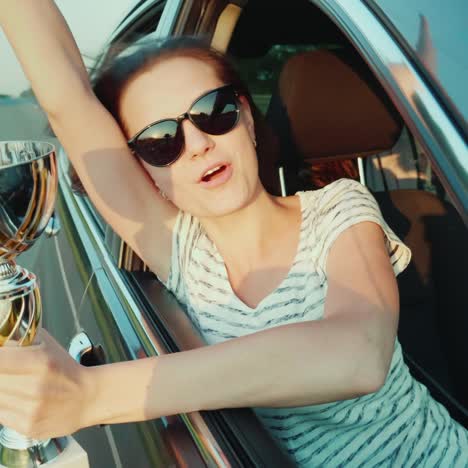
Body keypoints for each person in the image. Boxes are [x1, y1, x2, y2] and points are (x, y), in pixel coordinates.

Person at [0, 2, 467, 466]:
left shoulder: (340, 208)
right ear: (145, 172)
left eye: (214, 111)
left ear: (246, 115)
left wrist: (90, 395)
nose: (199, 144)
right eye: (161, 142)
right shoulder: (180, 251)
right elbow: (66, 101)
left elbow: (359, 352)